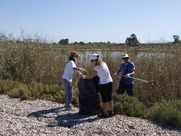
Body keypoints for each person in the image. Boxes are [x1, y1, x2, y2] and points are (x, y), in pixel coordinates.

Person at [80, 53, 114, 118]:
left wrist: (83, 76)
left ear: (95, 60)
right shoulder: (104, 63)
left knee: (104, 99)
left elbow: (90, 77)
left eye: (92, 61)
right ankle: (111, 112)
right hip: (110, 82)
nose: (91, 62)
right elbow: (98, 73)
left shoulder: (96, 68)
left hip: (103, 84)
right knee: (110, 98)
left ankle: (104, 113)